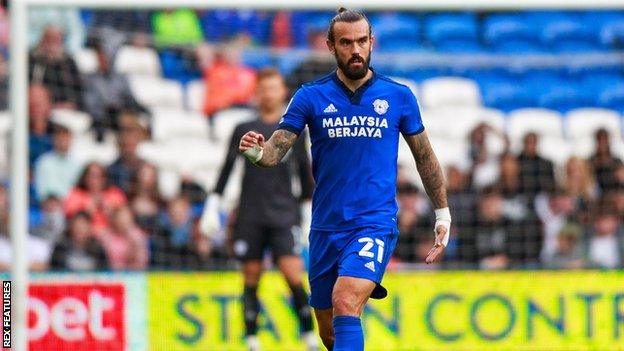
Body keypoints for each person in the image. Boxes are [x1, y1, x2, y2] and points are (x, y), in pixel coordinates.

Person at [236, 9, 450, 351]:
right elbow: (277, 150)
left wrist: (442, 212)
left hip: (373, 223)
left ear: (371, 43)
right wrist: (258, 154)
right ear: (330, 46)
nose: (356, 50)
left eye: (362, 41)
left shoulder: (398, 96)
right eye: (346, 42)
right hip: (325, 228)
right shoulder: (310, 96)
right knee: (329, 331)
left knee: (346, 299)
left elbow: (424, 156)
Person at [200, 68, 317, 350]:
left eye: (273, 88)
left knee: (292, 273)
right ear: (256, 94)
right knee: (251, 276)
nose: (268, 93)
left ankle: (309, 335)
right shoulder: (244, 129)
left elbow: (304, 175)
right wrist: (212, 205)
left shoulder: (293, 131)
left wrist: (307, 215)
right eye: (263, 88)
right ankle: (252, 338)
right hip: (250, 214)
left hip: (283, 214)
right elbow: (227, 168)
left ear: (283, 93)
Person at [84, 41, 150, 139]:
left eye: (105, 56)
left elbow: (131, 99)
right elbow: (91, 104)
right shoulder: (90, 79)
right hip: (102, 117)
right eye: (100, 56)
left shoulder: (121, 78)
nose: (101, 59)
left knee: (139, 117)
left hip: (121, 113)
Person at [29, 26, 83, 109]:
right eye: (49, 39)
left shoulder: (69, 62)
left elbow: (78, 91)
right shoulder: (33, 60)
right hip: (38, 109)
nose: (52, 43)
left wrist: (72, 104)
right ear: (42, 40)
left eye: (56, 39)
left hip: (66, 110)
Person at [64, 162, 127, 233]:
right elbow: (69, 213)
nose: (95, 180)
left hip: (114, 230)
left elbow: (124, 214)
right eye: (92, 176)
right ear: (85, 178)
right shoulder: (76, 193)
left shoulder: (114, 193)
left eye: (99, 176)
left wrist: (110, 211)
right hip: (89, 234)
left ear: (105, 179)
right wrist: (85, 209)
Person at [34, 121, 83, 201]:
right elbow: (41, 192)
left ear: (71, 139)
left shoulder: (78, 164)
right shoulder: (43, 162)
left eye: (66, 138)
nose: (63, 142)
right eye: (60, 138)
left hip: (72, 206)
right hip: (49, 206)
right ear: (54, 140)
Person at [516, 132, 555, 197]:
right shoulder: (515, 163)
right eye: (528, 142)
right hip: (519, 198)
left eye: (533, 143)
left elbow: (550, 185)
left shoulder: (546, 164)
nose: (530, 146)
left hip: (541, 199)